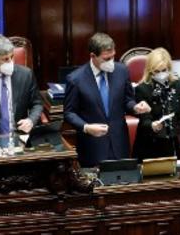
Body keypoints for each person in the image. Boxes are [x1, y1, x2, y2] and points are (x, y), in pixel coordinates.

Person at [64, 32, 151, 167]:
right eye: (106, 59)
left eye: (112, 57)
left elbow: (127, 100)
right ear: (93, 56)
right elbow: (69, 113)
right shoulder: (76, 79)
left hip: (119, 143)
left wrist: (135, 107)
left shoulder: (121, 71)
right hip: (92, 147)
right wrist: (86, 127)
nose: (111, 62)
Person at [132, 48, 180, 162]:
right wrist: (152, 125)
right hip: (150, 144)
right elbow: (144, 120)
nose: (161, 74)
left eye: (164, 70)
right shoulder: (143, 89)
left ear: (169, 68)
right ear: (150, 71)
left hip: (171, 143)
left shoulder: (176, 84)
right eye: (156, 71)